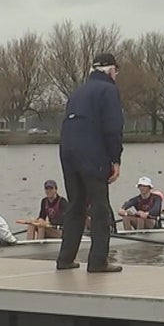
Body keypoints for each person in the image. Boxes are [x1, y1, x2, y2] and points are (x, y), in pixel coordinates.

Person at [56, 52, 123, 272]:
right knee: (100, 208)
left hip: (67, 151)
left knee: (75, 205)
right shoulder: (109, 90)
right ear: (111, 70)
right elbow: (113, 127)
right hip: (92, 152)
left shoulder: (78, 91)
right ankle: (98, 261)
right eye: (116, 72)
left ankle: (65, 259)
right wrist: (115, 159)